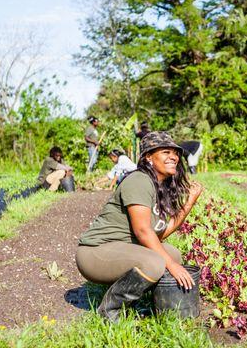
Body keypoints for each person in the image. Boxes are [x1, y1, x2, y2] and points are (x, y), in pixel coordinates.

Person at [76, 132, 204, 321]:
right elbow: (143, 232)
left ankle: (142, 303)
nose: (174, 157)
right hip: (95, 252)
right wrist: (172, 266)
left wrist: (189, 203)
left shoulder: (159, 186)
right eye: (165, 152)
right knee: (157, 262)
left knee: (172, 254)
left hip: (120, 248)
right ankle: (110, 311)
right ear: (148, 158)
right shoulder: (139, 180)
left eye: (175, 153)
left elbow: (159, 234)